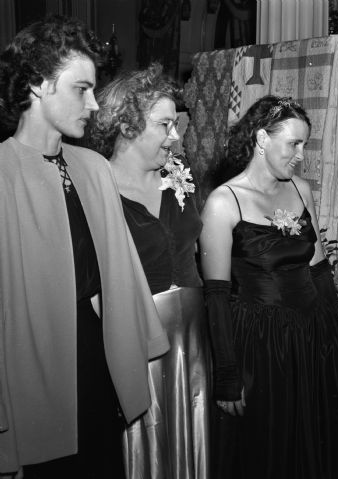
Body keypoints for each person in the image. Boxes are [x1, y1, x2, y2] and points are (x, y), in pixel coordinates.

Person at [0, 15, 169, 478]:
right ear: (36, 84)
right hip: (30, 369)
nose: (94, 104)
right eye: (81, 89)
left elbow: (122, 272)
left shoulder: (92, 166)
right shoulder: (2, 173)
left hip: (96, 357)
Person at [200, 95, 338, 478]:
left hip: (309, 334)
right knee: (268, 449)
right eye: (294, 144)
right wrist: (227, 373)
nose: (301, 155)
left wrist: (335, 337)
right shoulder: (224, 202)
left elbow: (319, 268)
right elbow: (216, 295)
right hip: (260, 342)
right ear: (261, 139)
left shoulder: (301, 189)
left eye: (305, 144)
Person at [88, 63, 210, 479]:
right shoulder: (95, 188)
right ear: (126, 125)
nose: (175, 136)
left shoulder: (178, 173)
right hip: (135, 340)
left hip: (192, 336)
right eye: (165, 125)